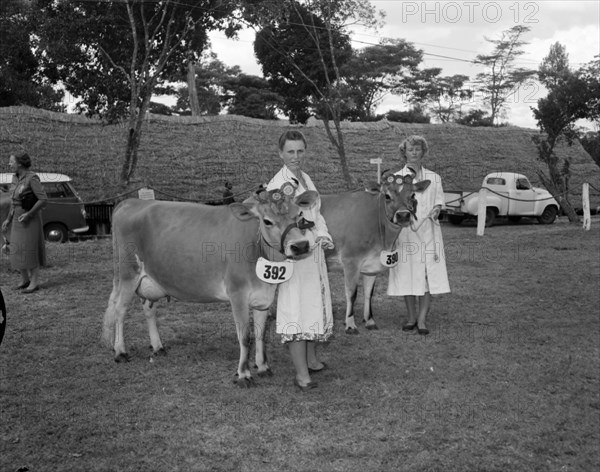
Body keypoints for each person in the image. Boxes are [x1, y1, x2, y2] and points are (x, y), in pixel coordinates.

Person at [267, 130, 334, 391]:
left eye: (300, 151)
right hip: (294, 255)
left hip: (313, 252)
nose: (296, 156)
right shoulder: (278, 185)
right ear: (280, 153)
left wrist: (323, 235)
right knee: (296, 307)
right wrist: (304, 236)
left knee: (313, 302)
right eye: (290, 152)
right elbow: (282, 225)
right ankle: (301, 374)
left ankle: (312, 359)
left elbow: (316, 214)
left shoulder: (306, 178)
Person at [387, 135, 450, 335]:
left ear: (423, 152)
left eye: (418, 149)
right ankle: (411, 317)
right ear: (404, 152)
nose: (414, 152)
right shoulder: (396, 178)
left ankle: (422, 320)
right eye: (410, 149)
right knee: (407, 274)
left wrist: (437, 209)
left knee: (426, 275)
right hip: (406, 233)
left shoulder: (434, 177)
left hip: (429, 231)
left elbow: (439, 200)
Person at [1, 152, 48, 293]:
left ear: (20, 163)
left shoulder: (31, 178)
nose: (9, 164)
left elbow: (43, 199)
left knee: (29, 250)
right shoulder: (15, 178)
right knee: (16, 249)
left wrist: (29, 214)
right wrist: (8, 219)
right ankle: (24, 279)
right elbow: (13, 202)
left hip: (30, 219)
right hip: (16, 218)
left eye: (11, 161)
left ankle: (34, 282)